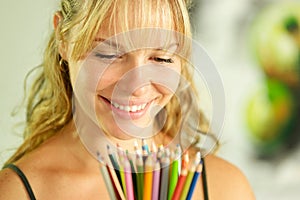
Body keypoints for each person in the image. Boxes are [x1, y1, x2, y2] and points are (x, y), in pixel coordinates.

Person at [0, 0, 255, 199]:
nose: (136, 86)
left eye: (161, 58)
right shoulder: (15, 192)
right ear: (63, 40)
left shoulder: (225, 188)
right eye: (109, 53)